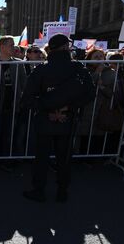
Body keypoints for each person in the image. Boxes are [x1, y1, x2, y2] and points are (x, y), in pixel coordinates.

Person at [20, 34, 96, 202]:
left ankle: (39, 190)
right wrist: (68, 108)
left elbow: (27, 98)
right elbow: (90, 94)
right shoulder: (78, 68)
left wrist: (49, 111)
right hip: (67, 119)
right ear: (65, 47)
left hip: (45, 119)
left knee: (42, 156)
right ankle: (62, 191)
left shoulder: (41, 69)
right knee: (65, 157)